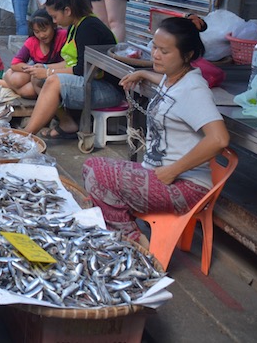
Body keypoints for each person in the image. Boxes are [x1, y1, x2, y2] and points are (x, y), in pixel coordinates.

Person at [82, 16, 230, 246]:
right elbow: (167, 86)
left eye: (165, 51)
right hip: (159, 175)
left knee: (97, 175)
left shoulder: (194, 90)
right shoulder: (175, 78)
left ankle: (133, 241)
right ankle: (121, 228)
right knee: (92, 168)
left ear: (188, 55)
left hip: (184, 187)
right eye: (154, 47)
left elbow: (219, 139)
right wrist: (143, 74)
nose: (155, 55)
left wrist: (173, 170)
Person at [23, 0, 124, 140]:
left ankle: (25, 135)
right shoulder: (75, 26)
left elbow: (83, 69)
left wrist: (49, 72)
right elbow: (72, 63)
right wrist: (44, 67)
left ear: (67, 11)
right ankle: (66, 122)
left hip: (108, 90)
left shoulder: (88, 27)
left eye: (55, 17)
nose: (54, 22)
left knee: (52, 81)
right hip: (90, 82)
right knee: (37, 78)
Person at [0, 9, 68, 99]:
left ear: (53, 25)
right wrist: (34, 69)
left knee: (28, 92)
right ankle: (9, 79)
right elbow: (15, 63)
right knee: (16, 80)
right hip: (36, 72)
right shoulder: (32, 42)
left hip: (55, 72)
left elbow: (69, 63)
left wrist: (44, 69)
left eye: (44, 30)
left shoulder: (63, 37)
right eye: (37, 32)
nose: (41, 35)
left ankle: (8, 85)